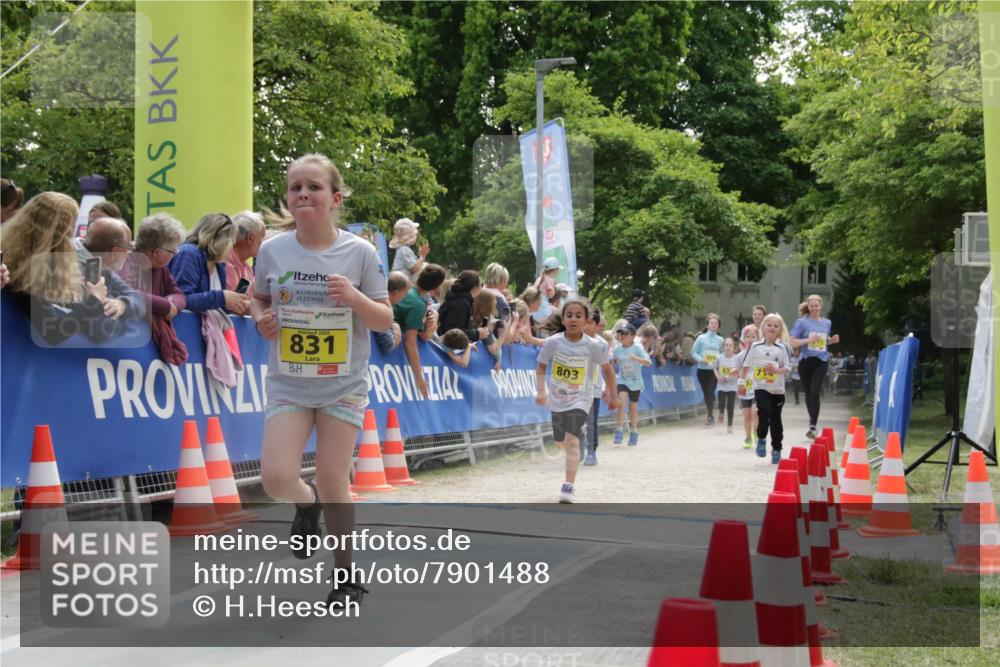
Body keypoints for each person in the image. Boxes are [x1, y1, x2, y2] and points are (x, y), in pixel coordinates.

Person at [250, 153, 393, 609]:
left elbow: (384, 319)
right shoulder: (272, 250)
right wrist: (261, 319)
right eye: (295, 187)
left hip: (343, 384)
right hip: (289, 383)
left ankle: (345, 574)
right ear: (287, 198)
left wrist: (353, 297)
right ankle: (305, 501)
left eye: (313, 186)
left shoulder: (360, 253)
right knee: (276, 479)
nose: (303, 194)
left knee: (335, 480)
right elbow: (256, 298)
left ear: (335, 198)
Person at [535, 299, 618, 503]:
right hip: (558, 399)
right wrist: (541, 391)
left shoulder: (594, 345)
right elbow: (541, 366)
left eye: (578, 316)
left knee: (571, 440)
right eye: (569, 315)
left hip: (581, 398)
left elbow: (608, 370)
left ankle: (568, 486)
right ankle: (572, 443)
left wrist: (613, 395)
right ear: (563, 319)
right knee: (560, 442)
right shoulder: (553, 342)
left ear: (586, 321)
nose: (573, 319)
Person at [1, 192, 112, 343]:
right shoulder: (28, 273)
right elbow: (51, 332)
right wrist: (94, 300)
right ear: (59, 234)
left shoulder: (14, 255)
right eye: (70, 229)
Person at [119, 213, 188, 364]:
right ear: (156, 252)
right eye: (173, 251)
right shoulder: (126, 261)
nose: (175, 255)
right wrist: (165, 306)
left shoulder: (161, 268)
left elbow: (179, 295)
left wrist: (172, 304)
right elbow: (126, 293)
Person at [72, 216, 148, 326]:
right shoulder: (70, 270)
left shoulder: (101, 263)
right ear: (116, 252)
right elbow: (100, 328)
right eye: (128, 248)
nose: (129, 253)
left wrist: (123, 304)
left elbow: (139, 299)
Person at [169, 213, 250, 316]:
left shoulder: (219, 265)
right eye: (231, 242)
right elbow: (182, 299)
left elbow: (212, 306)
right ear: (222, 241)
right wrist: (222, 297)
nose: (231, 248)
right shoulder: (188, 254)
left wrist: (232, 304)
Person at [739, 313, 792, 463]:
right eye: (769, 325)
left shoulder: (783, 347)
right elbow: (746, 365)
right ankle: (761, 439)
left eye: (776, 326)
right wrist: (741, 383)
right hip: (761, 387)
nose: (772, 328)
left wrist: (776, 370)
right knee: (764, 412)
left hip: (777, 390)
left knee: (776, 420)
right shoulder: (755, 346)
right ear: (763, 327)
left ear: (780, 329)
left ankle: (776, 449)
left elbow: (788, 367)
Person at [789, 294, 840, 439]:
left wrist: (832, 340)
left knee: (814, 391)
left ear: (821, 306)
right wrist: (808, 340)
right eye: (811, 306)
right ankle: (812, 423)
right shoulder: (801, 322)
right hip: (806, 361)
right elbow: (792, 342)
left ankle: (813, 425)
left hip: (821, 360)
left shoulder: (827, 323)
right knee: (808, 393)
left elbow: (823, 341)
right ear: (808, 307)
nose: (814, 308)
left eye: (816, 305)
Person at [392, 263, 445, 398]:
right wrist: (419, 378)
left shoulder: (410, 293)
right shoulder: (417, 303)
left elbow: (422, 335)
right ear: (436, 287)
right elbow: (410, 344)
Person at [611, 322, 652, 446]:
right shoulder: (617, 349)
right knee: (621, 403)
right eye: (620, 333)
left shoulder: (637, 348)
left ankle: (634, 432)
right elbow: (613, 362)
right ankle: (619, 430)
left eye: (625, 333)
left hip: (635, 382)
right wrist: (612, 370)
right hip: (622, 380)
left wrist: (636, 358)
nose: (622, 336)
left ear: (633, 336)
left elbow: (648, 363)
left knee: (632, 408)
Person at [580, 307, 608, 466]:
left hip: (594, 388)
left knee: (591, 421)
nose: (586, 325)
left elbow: (606, 368)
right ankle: (579, 448)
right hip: (575, 387)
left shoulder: (601, 343)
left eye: (590, 323)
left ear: (596, 325)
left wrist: (609, 389)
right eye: (585, 322)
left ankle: (592, 451)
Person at [691, 313, 725, 425]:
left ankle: (710, 416)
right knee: (706, 392)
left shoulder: (720, 340)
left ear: (718, 326)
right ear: (707, 325)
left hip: (714, 370)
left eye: (716, 323)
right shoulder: (701, 338)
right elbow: (693, 352)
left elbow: (723, 353)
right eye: (711, 323)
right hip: (702, 369)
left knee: (710, 390)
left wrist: (719, 360)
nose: (713, 325)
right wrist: (701, 360)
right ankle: (710, 411)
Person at [226, 210, 267, 298]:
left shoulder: (246, 267)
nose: (263, 244)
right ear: (250, 238)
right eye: (261, 240)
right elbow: (235, 304)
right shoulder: (227, 263)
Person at [437, 269, 484, 342]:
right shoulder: (461, 303)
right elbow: (453, 332)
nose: (481, 288)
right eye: (481, 285)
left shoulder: (459, 299)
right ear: (474, 287)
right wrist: (477, 334)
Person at [374, 271, 409, 354]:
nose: (403, 298)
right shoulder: (380, 307)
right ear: (396, 292)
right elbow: (388, 345)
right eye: (404, 294)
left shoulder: (377, 301)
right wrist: (396, 329)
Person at [737, 325, 758, 449]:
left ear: (758, 338)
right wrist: (740, 380)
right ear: (744, 339)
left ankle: (757, 432)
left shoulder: (761, 354)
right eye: (748, 337)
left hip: (758, 388)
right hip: (745, 388)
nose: (750, 339)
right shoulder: (740, 356)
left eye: (753, 337)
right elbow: (737, 371)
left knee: (755, 412)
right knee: (746, 415)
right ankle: (748, 438)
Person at [715, 337, 741, 434]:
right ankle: (721, 412)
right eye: (726, 345)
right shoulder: (719, 357)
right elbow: (715, 368)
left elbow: (740, 370)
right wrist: (718, 377)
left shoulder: (737, 358)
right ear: (723, 347)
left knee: (730, 406)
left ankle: (730, 425)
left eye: (730, 345)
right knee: (721, 403)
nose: (728, 347)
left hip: (732, 385)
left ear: (734, 347)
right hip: (721, 385)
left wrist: (736, 374)